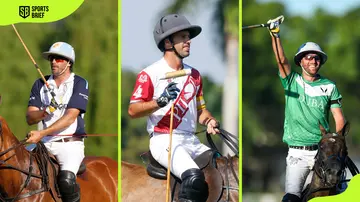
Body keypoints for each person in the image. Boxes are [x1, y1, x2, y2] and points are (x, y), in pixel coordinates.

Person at [128, 14, 220, 202]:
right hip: (164, 140)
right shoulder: (149, 74)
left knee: (223, 170)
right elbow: (133, 111)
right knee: (193, 178)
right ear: (168, 42)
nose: (189, 41)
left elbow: (201, 111)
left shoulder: (194, 75)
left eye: (189, 37)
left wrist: (210, 121)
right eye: (183, 37)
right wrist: (159, 102)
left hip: (191, 140)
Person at [266, 17, 347, 201]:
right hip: (298, 154)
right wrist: (275, 34)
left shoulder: (329, 86)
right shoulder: (291, 81)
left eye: (316, 57)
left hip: (324, 151)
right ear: (301, 61)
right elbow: (280, 60)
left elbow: (339, 118)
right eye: (308, 57)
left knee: (341, 194)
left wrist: (336, 141)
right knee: (291, 198)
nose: (313, 60)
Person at [26, 42, 89, 202]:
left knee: (66, 181)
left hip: (69, 144)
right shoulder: (40, 83)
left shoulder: (79, 83)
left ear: (69, 62)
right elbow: (30, 118)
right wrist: (45, 111)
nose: (54, 61)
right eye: (52, 58)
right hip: (44, 143)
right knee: (15, 169)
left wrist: (41, 133)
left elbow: (70, 116)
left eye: (59, 59)